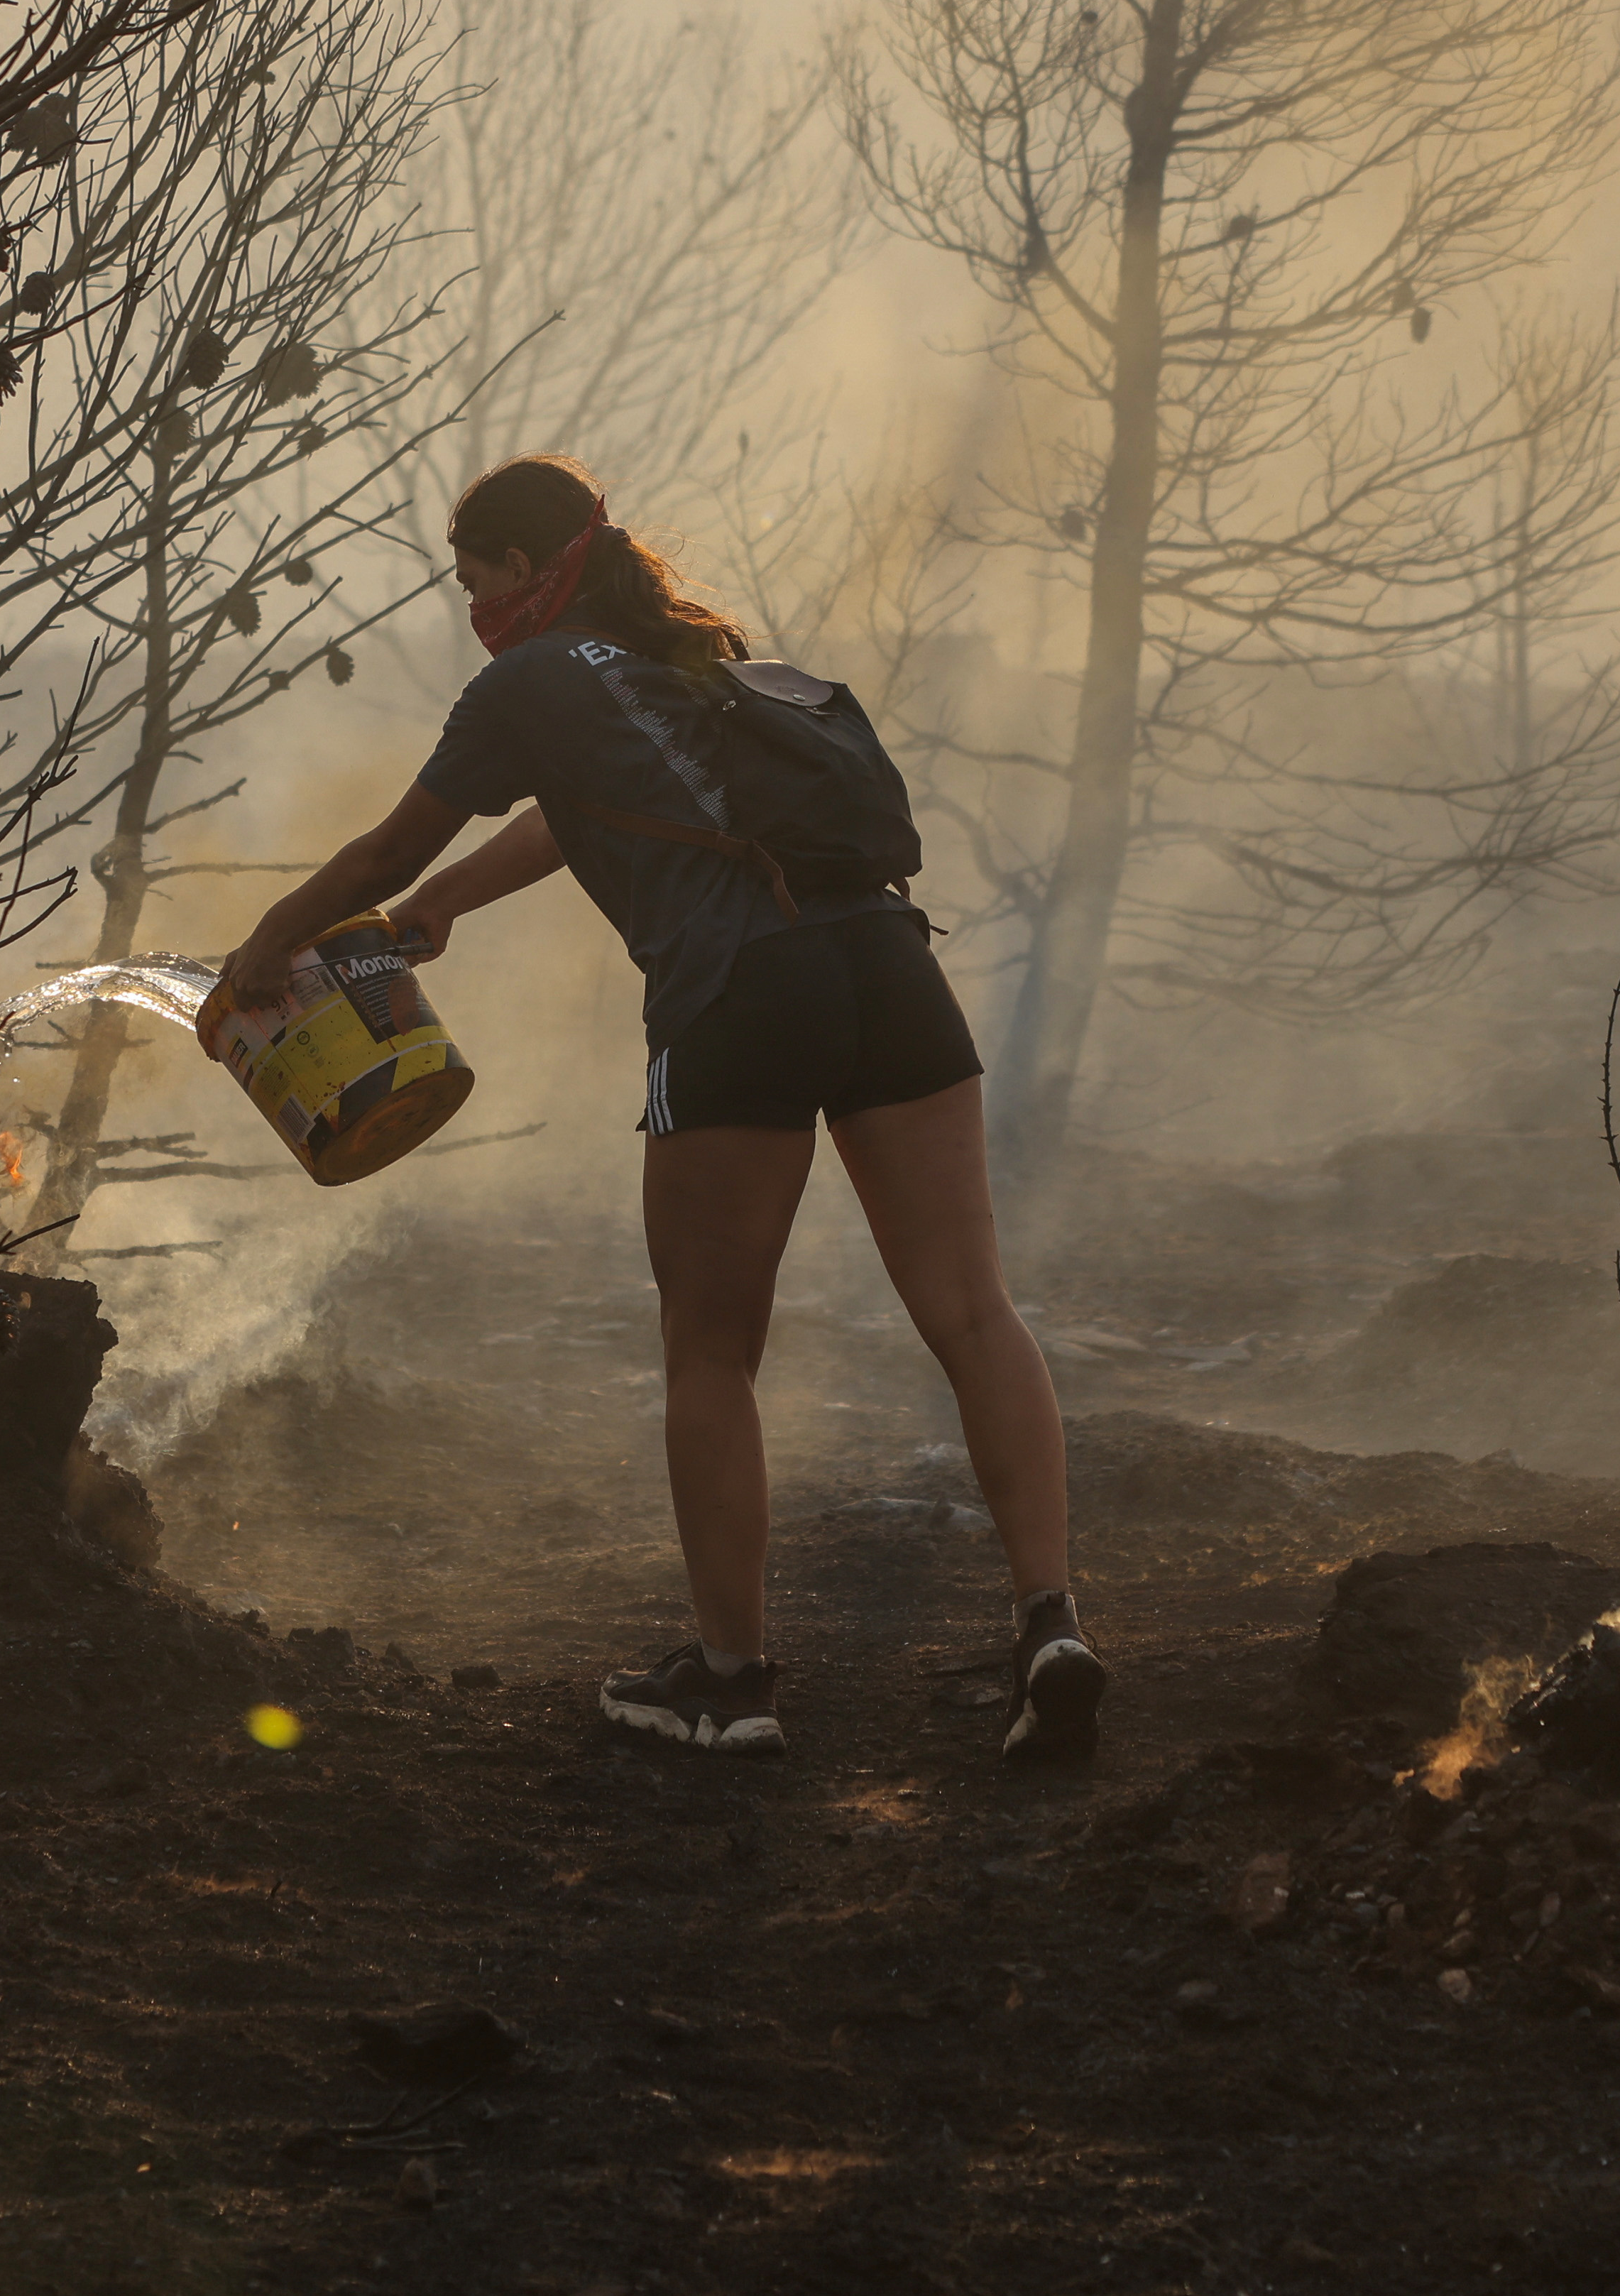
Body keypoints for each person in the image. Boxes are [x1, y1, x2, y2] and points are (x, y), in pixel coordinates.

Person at [209, 456, 1104, 1763]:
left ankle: (733, 1684)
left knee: (712, 1349)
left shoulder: (527, 680)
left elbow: (388, 845)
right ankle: (1053, 1626)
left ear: (525, 570)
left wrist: (268, 943)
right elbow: (603, 820)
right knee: (975, 1311)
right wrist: (447, 909)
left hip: (744, 995)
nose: (475, 610)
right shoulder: (703, 666)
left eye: (476, 582)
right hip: (892, 969)